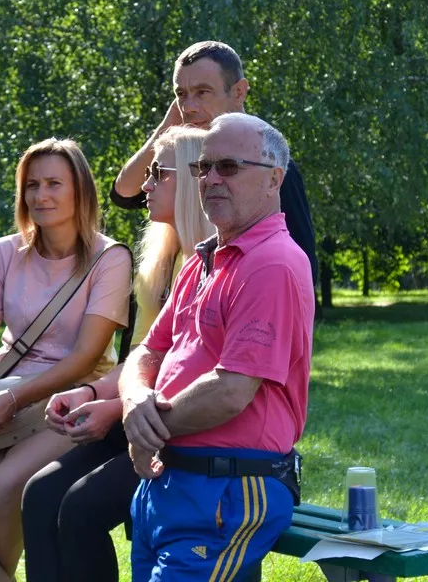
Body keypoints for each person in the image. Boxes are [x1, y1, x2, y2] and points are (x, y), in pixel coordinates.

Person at [0, 138, 132, 582]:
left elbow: (86, 357)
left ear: (81, 190)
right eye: (32, 185)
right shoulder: (4, 251)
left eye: (54, 183)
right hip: (3, 396)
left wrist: (16, 399)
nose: (40, 195)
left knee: (3, 489)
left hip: (65, 400)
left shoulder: (110, 258)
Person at [120, 113, 314, 581]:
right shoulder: (203, 260)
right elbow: (146, 352)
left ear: (274, 179)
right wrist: (134, 400)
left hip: (228, 488)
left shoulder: (272, 263)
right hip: (173, 483)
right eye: (202, 167)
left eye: (228, 167)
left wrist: (146, 429)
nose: (210, 179)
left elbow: (231, 391)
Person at [22, 128, 215, 582]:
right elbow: (145, 355)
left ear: (192, 180)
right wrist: (93, 393)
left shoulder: (214, 263)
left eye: (158, 173)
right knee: (40, 494)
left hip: (182, 428)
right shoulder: (160, 261)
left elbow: (191, 372)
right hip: (135, 411)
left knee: (81, 508)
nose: (144, 185)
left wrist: (112, 407)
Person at [110, 40, 318, 288]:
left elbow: (302, 269)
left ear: (239, 92)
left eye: (202, 92)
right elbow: (124, 194)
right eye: (181, 94)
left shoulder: (265, 165)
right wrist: (167, 126)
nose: (188, 107)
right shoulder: (180, 157)